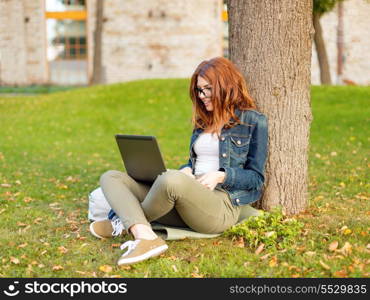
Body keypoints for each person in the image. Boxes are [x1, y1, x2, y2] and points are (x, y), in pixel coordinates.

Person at [89, 57, 268, 266]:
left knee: (171, 180)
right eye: (199, 91)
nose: (202, 96)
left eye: (207, 89)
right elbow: (194, 162)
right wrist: (186, 171)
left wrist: (221, 175)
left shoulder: (253, 121)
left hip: (220, 205)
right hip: (187, 197)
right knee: (112, 177)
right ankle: (143, 234)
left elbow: (256, 178)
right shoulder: (203, 122)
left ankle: (122, 222)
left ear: (224, 85)